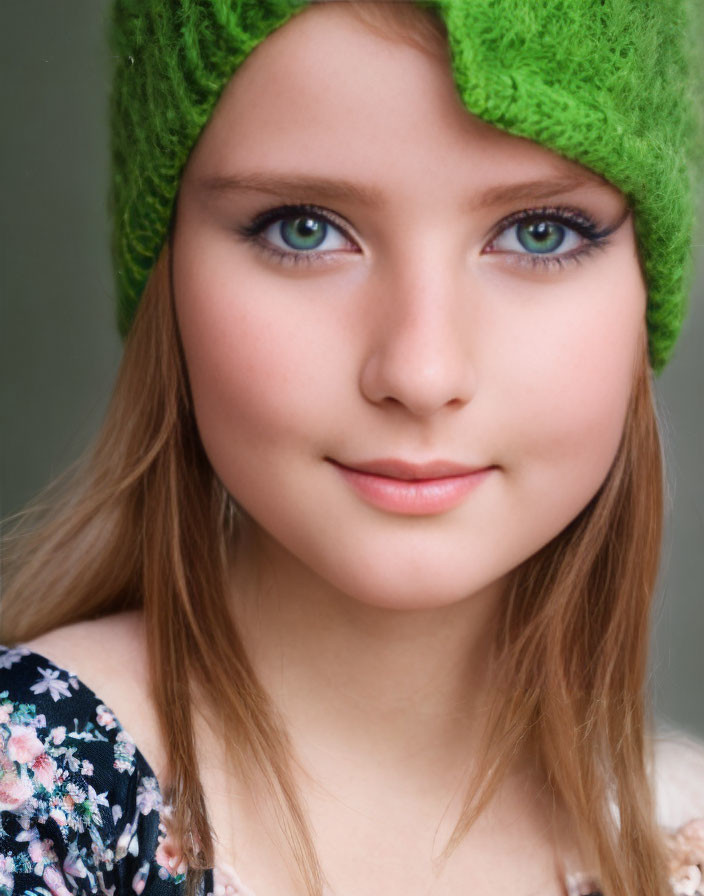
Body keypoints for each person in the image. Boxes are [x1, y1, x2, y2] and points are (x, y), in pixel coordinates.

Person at [1, 2, 703, 895]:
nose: (420, 369)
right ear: (168, 275)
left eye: (540, 232)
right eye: (304, 228)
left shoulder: (675, 828)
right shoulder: (40, 805)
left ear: (645, 293)